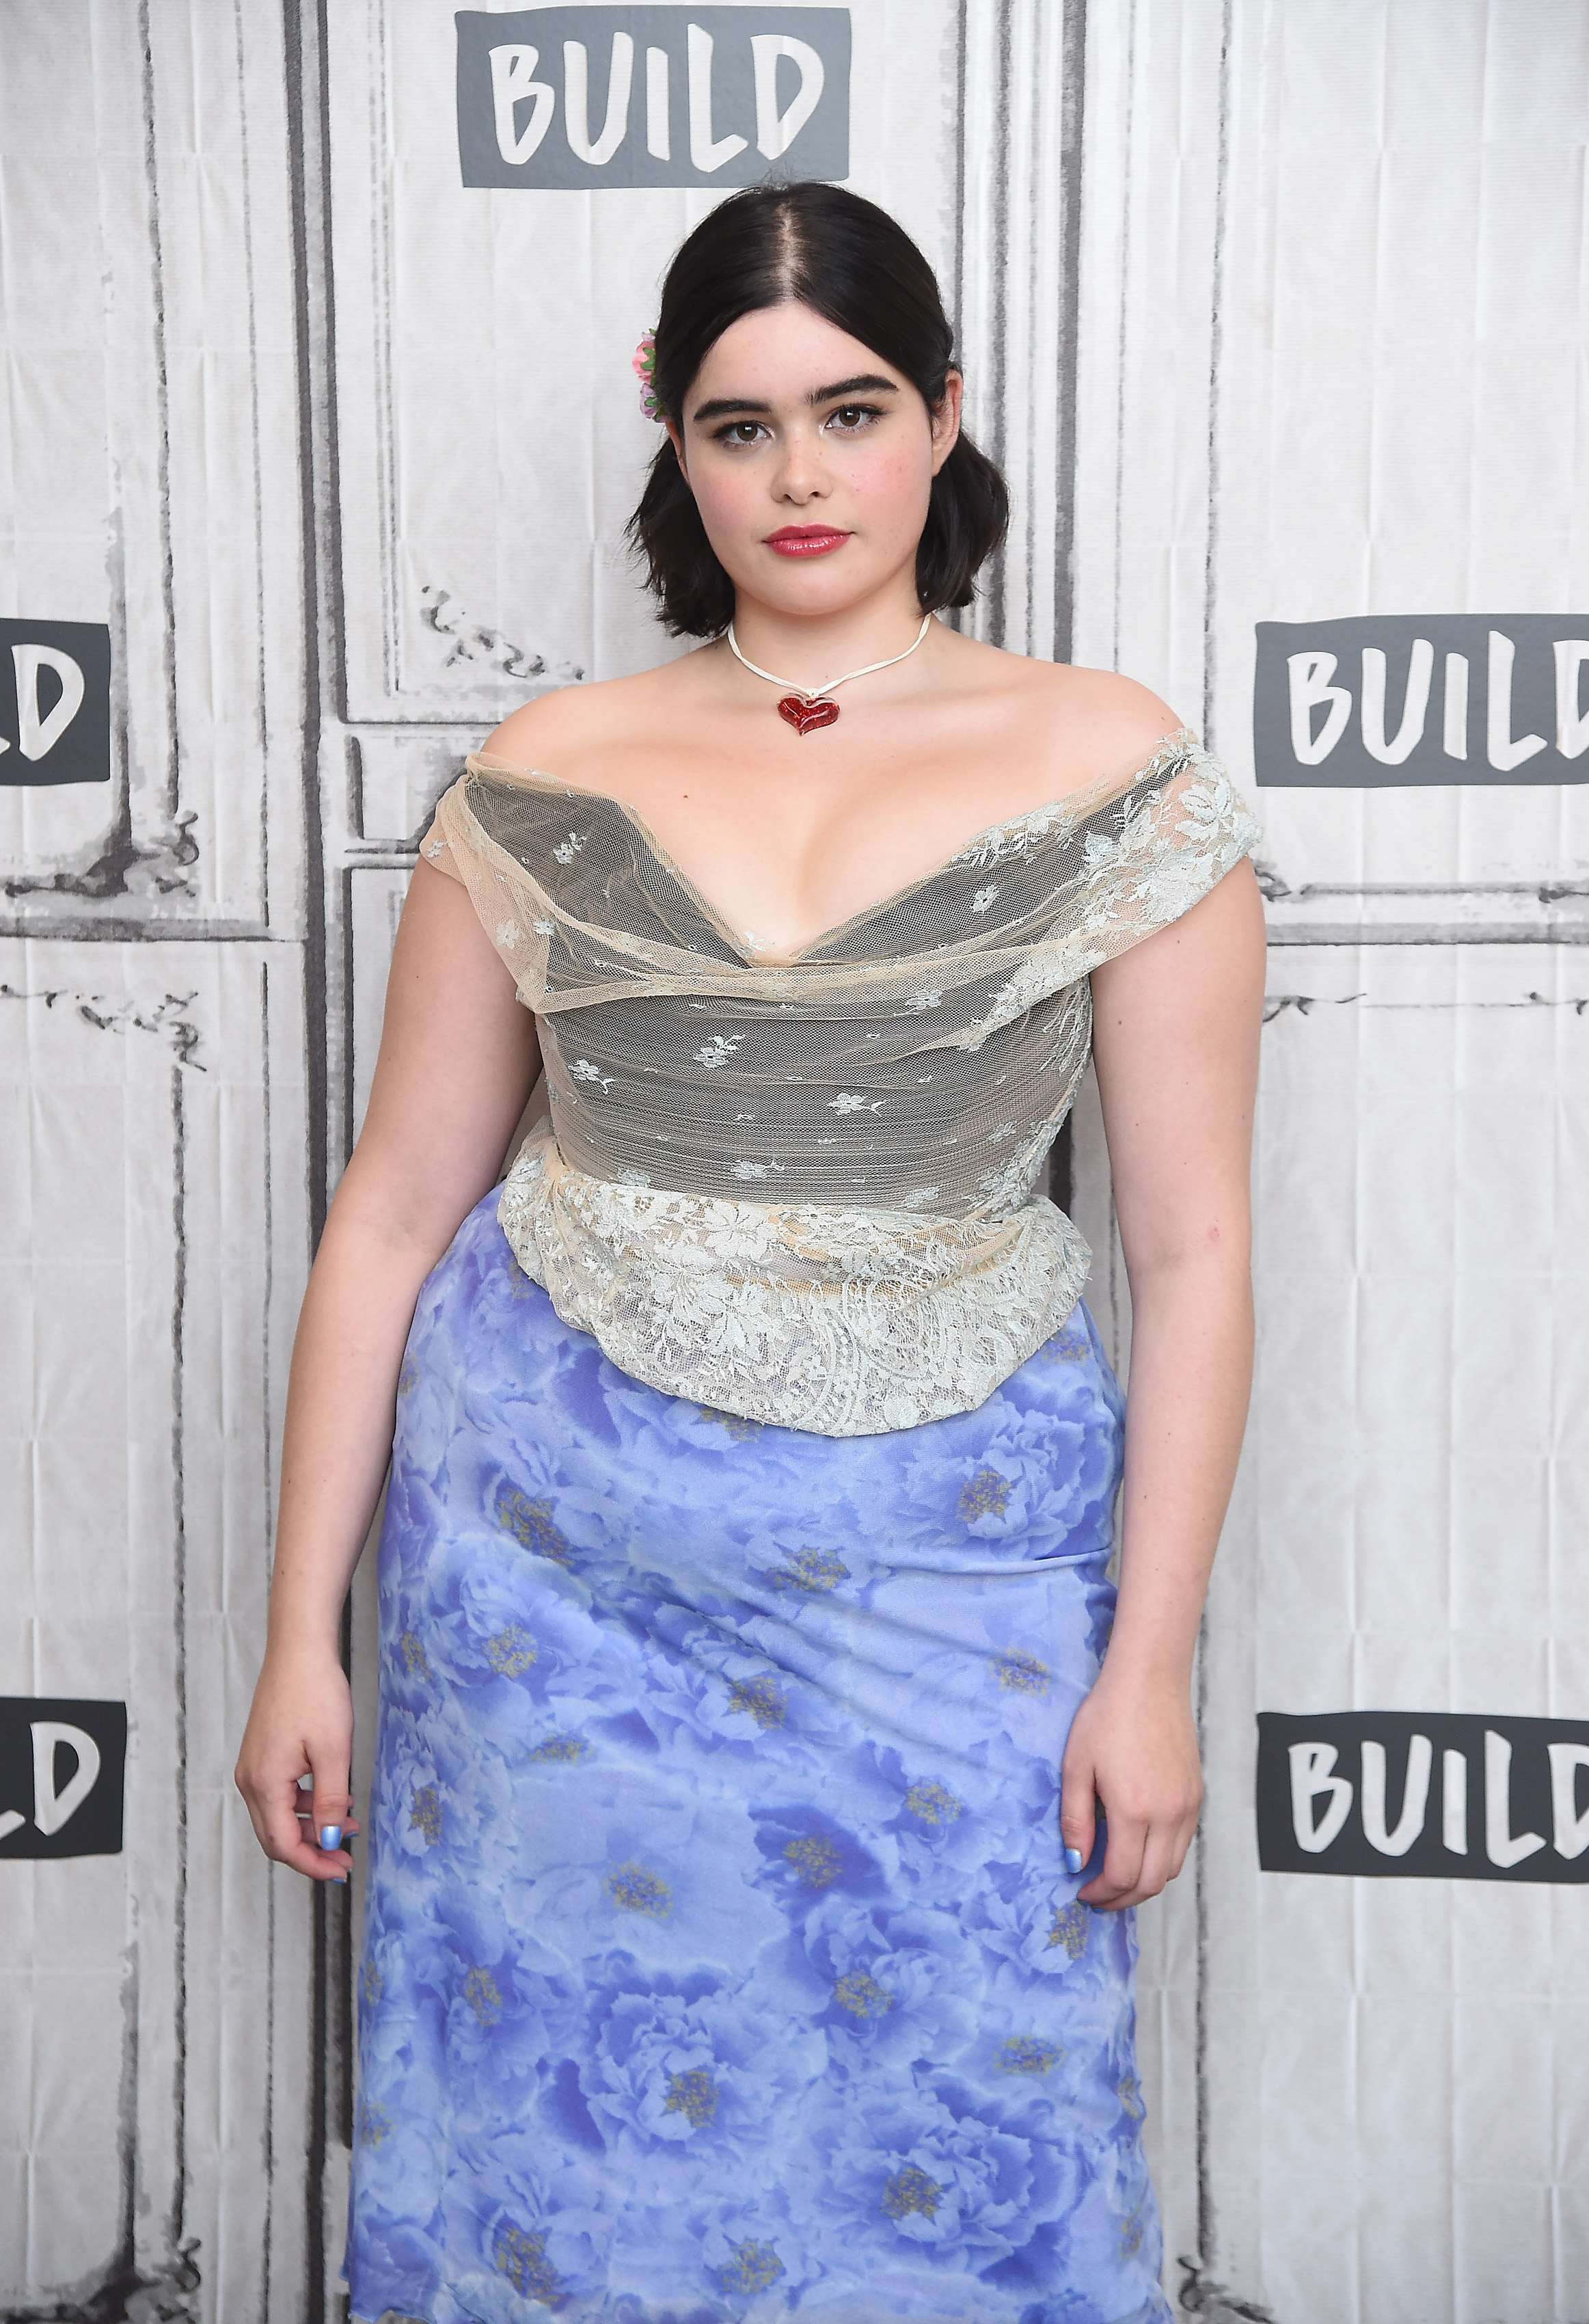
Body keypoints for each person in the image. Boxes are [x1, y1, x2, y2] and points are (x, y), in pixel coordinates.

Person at [236, 180, 1264, 2324]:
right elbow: (395, 1210)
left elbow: (1188, 1242)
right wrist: (301, 1636)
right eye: (737, 426)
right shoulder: (544, 766)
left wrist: (1148, 1666)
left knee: (982, 2101)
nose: (798, 478)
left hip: (949, 1560)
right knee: (554, 2124)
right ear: (671, 440)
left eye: (852, 410)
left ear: (946, 415)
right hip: (540, 1581)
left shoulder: (1105, 760)